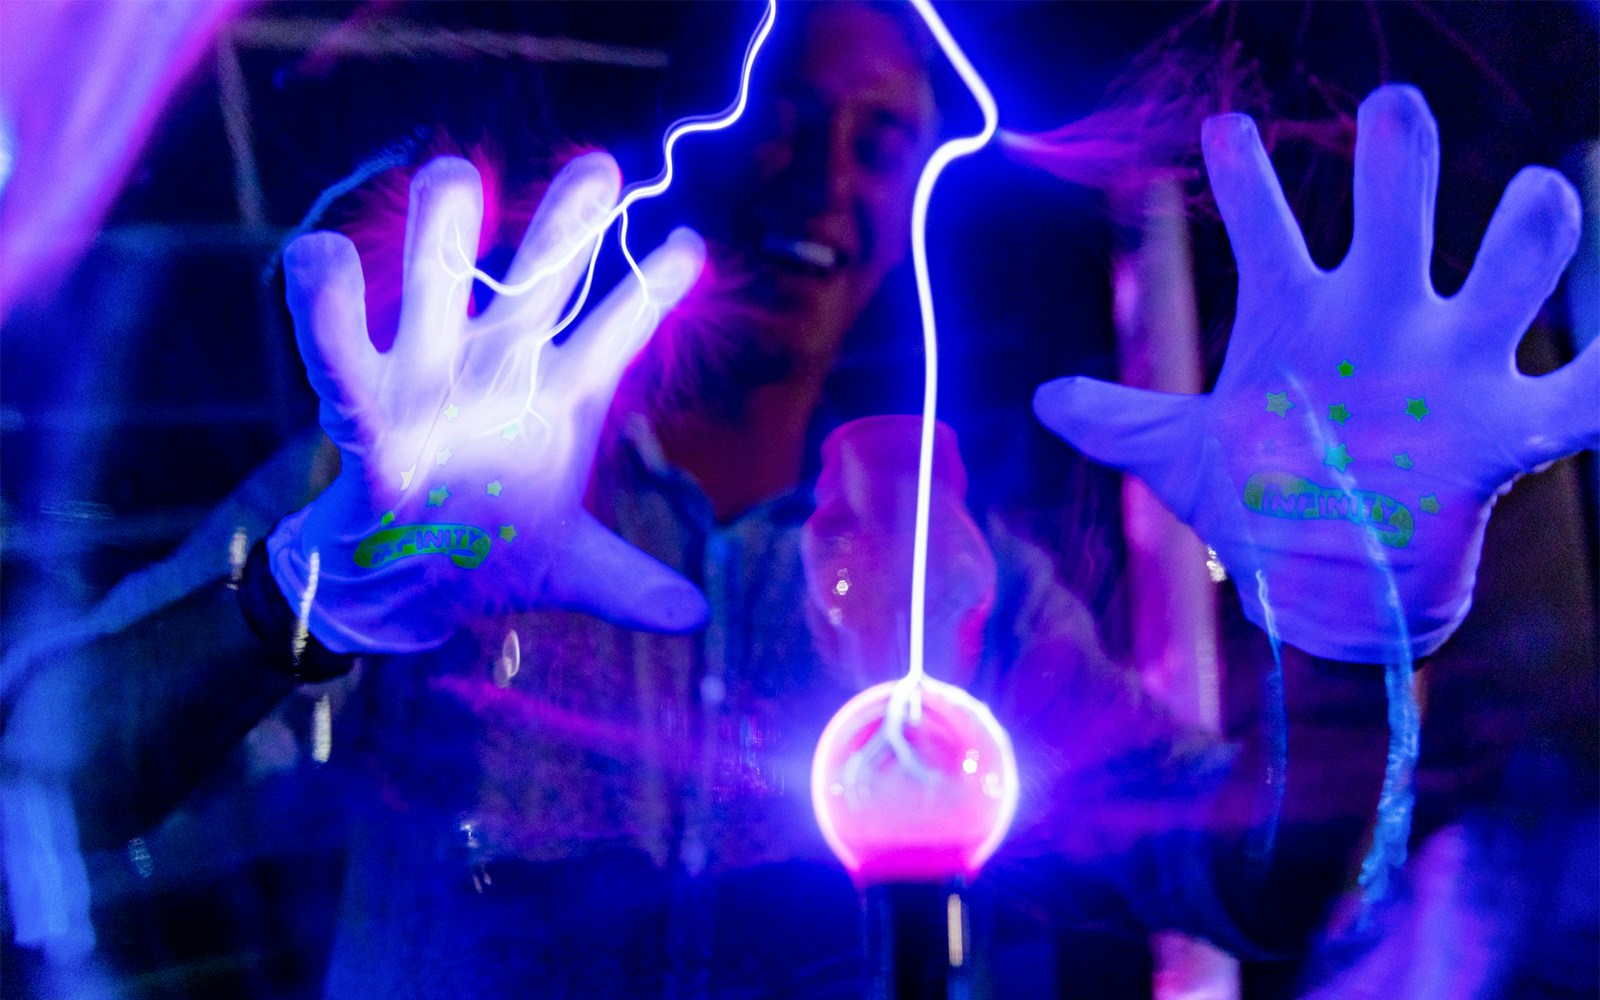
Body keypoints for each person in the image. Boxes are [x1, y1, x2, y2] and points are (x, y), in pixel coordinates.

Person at [4, 2, 1590, 997]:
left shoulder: (976, 597)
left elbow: (1269, 885)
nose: (825, 178)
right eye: (786, 121)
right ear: (696, 151)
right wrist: (305, 595)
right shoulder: (431, 505)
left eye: (884, 142)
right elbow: (44, 791)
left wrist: (1339, 627)